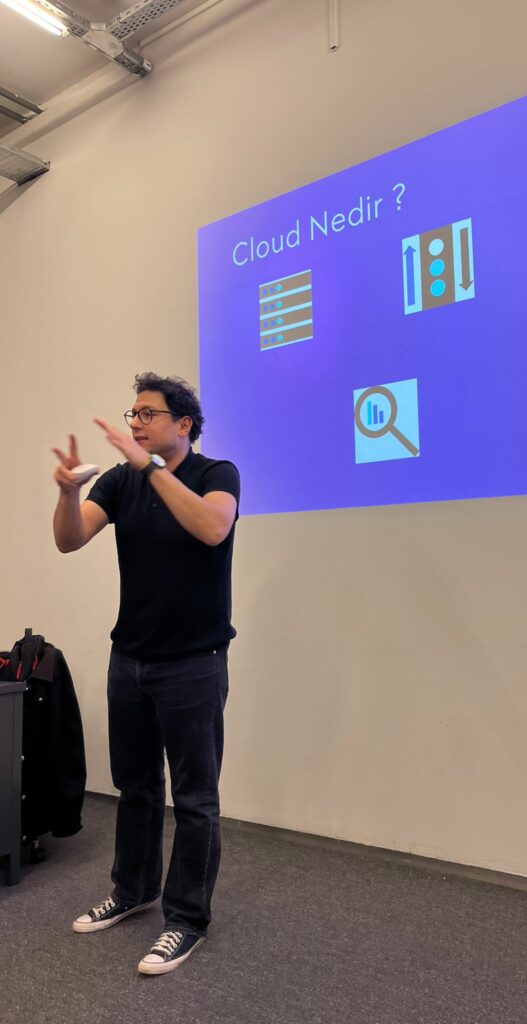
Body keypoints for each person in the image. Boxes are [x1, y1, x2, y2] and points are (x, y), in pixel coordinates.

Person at [52, 372, 240, 975]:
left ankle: (187, 920)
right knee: (135, 787)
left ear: (183, 424)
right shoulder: (119, 481)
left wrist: (151, 468)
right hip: (129, 660)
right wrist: (66, 494)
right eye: (132, 413)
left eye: (148, 413)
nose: (135, 422)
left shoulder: (216, 474)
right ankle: (132, 890)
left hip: (194, 663)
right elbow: (69, 540)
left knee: (195, 798)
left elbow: (212, 527)